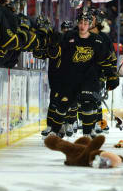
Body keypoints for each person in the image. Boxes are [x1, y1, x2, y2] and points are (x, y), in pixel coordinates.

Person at [47, 10, 117, 138]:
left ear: (90, 24)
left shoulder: (98, 41)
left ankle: (87, 134)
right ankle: (54, 131)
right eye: (80, 22)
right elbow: (56, 55)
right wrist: (53, 46)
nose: (83, 25)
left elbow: (105, 60)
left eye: (86, 22)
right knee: (62, 104)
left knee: (88, 104)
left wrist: (112, 76)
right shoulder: (68, 37)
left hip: (89, 79)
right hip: (70, 78)